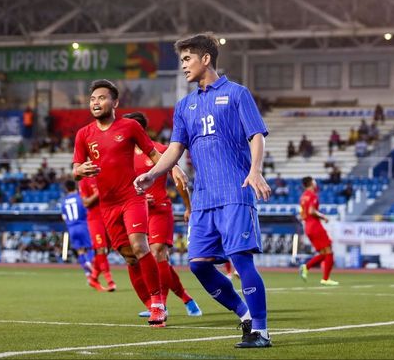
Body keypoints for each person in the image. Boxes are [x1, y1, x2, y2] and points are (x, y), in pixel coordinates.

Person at [133, 33, 273, 348]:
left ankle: (261, 331)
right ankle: (244, 314)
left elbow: (257, 135)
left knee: (240, 259)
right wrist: (153, 173)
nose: (183, 65)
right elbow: (175, 148)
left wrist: (255, 170)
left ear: (205, 59)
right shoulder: (184, 105)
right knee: (197, 264)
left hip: (236, 192)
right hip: (204, 199)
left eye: (187, 59)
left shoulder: (237, 94)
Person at [73, 79, 183, 328]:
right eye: (92, 99)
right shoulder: (83, 135)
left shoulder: (130, 126)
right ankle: (150, 305)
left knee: (139, 245)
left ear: (115, 102)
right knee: (129, 256)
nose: (96, 102)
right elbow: (75, 170)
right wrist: (81, 169)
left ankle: (158, 304)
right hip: (107, 204)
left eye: (101, 98)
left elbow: (154, 154)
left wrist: (173, 168)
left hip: (132, 196)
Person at [123, 111, 202, 318]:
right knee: (148, 259)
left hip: (159, 209)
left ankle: (161, 305)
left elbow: (179, 180)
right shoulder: (124, 154)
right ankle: (185, 297)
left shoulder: (160, 151)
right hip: (136, 211)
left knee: (158, 252)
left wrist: (188, 207)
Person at [60, 180, 101, 290]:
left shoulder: (63, 202)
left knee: (80, 251)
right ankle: (90, 265)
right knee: (91, 248)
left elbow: (63, 217)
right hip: (83, 225)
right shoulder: (79, 197)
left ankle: (88, 275)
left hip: (71, 228)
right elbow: (87, 209)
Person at [298, 176, 338, 286]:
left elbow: (302, 214)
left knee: (324, 253)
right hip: (315, 225)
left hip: (308, 227)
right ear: (311, 183)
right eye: (314, 180)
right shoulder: (312, 195)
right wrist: (323, 216)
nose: (315, 182)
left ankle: (306, 267)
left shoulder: (303, 197)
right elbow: (311, 211)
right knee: (329, 251)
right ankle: (325, 279)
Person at [78, 176, 116, 291]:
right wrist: (99, 192)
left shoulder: (104, 176)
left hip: (108, 216)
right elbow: (86, 202)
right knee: (101, 249)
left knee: (106, 250)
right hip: (95, 219)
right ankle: (110, 281)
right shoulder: (84, 181)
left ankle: (93, 277)